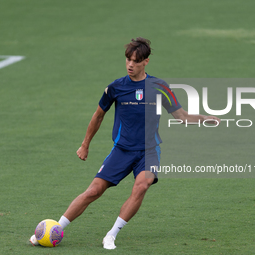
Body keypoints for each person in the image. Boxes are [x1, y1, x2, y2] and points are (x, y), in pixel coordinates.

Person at [30, 37, 221, 249]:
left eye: (136, 61)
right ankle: (54, 228)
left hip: (149, 151)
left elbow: (181, 116)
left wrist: (205, 119)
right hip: (122, 150)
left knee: (142, 185)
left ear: (146, 62)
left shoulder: (159, 87)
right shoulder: (116, 88)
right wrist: (85, 145)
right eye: (128, 59)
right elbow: (98, 116)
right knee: (93, 191)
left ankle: (111, 235)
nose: (130, 64)